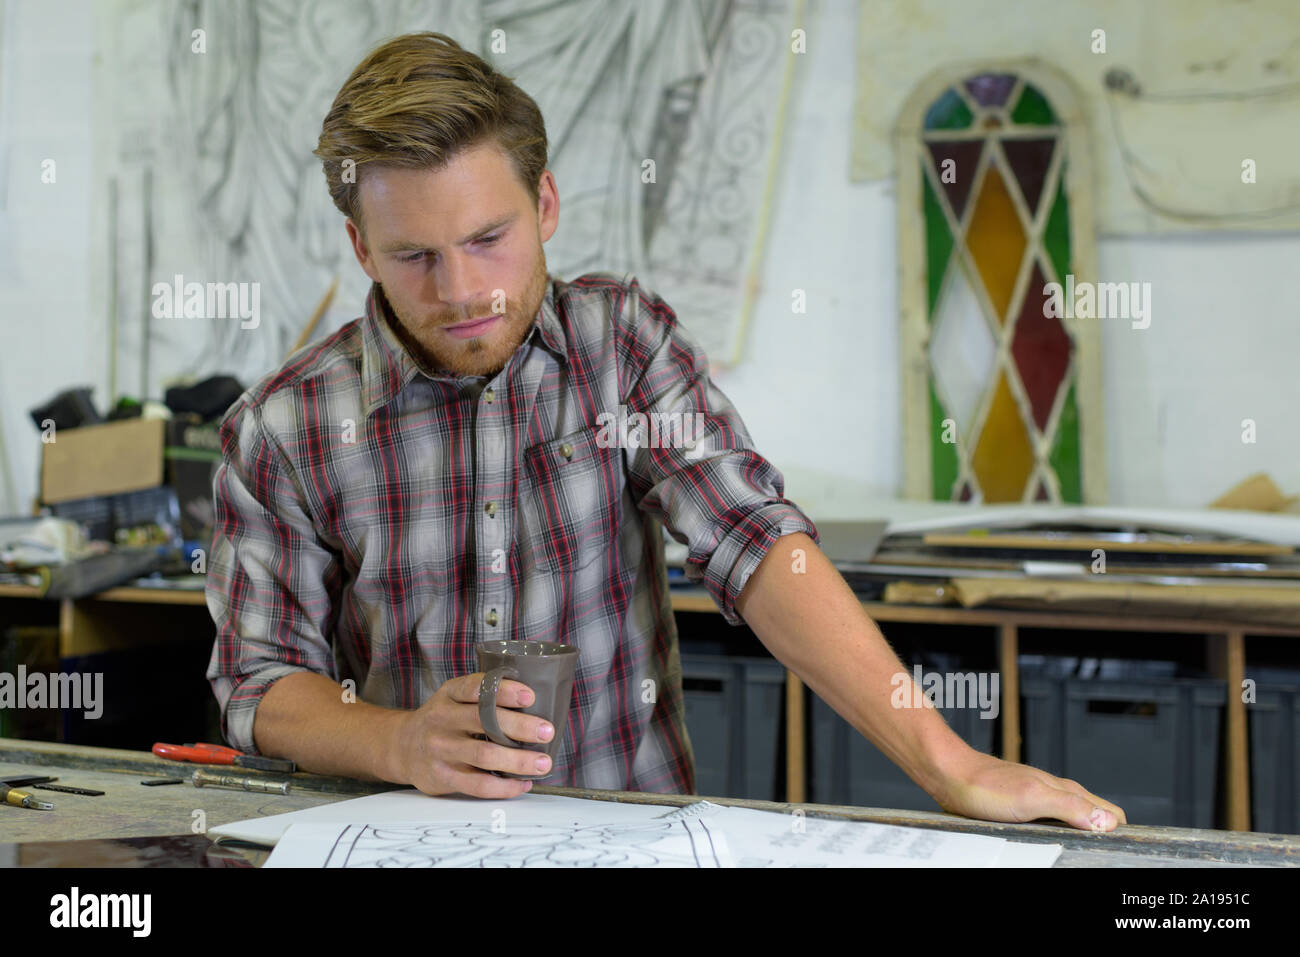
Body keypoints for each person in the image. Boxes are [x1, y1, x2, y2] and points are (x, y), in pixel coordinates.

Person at [206, 31, 1125, 833]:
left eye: (490, 237)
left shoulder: (622, 346)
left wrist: (946, 763)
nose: (461, 291)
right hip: (407, 841)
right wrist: (402, 740)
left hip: (630, 835)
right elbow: (260, 683)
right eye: (414, 256)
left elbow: (758, 544)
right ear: (363, 249)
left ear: (548, 205)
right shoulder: (282, 429)